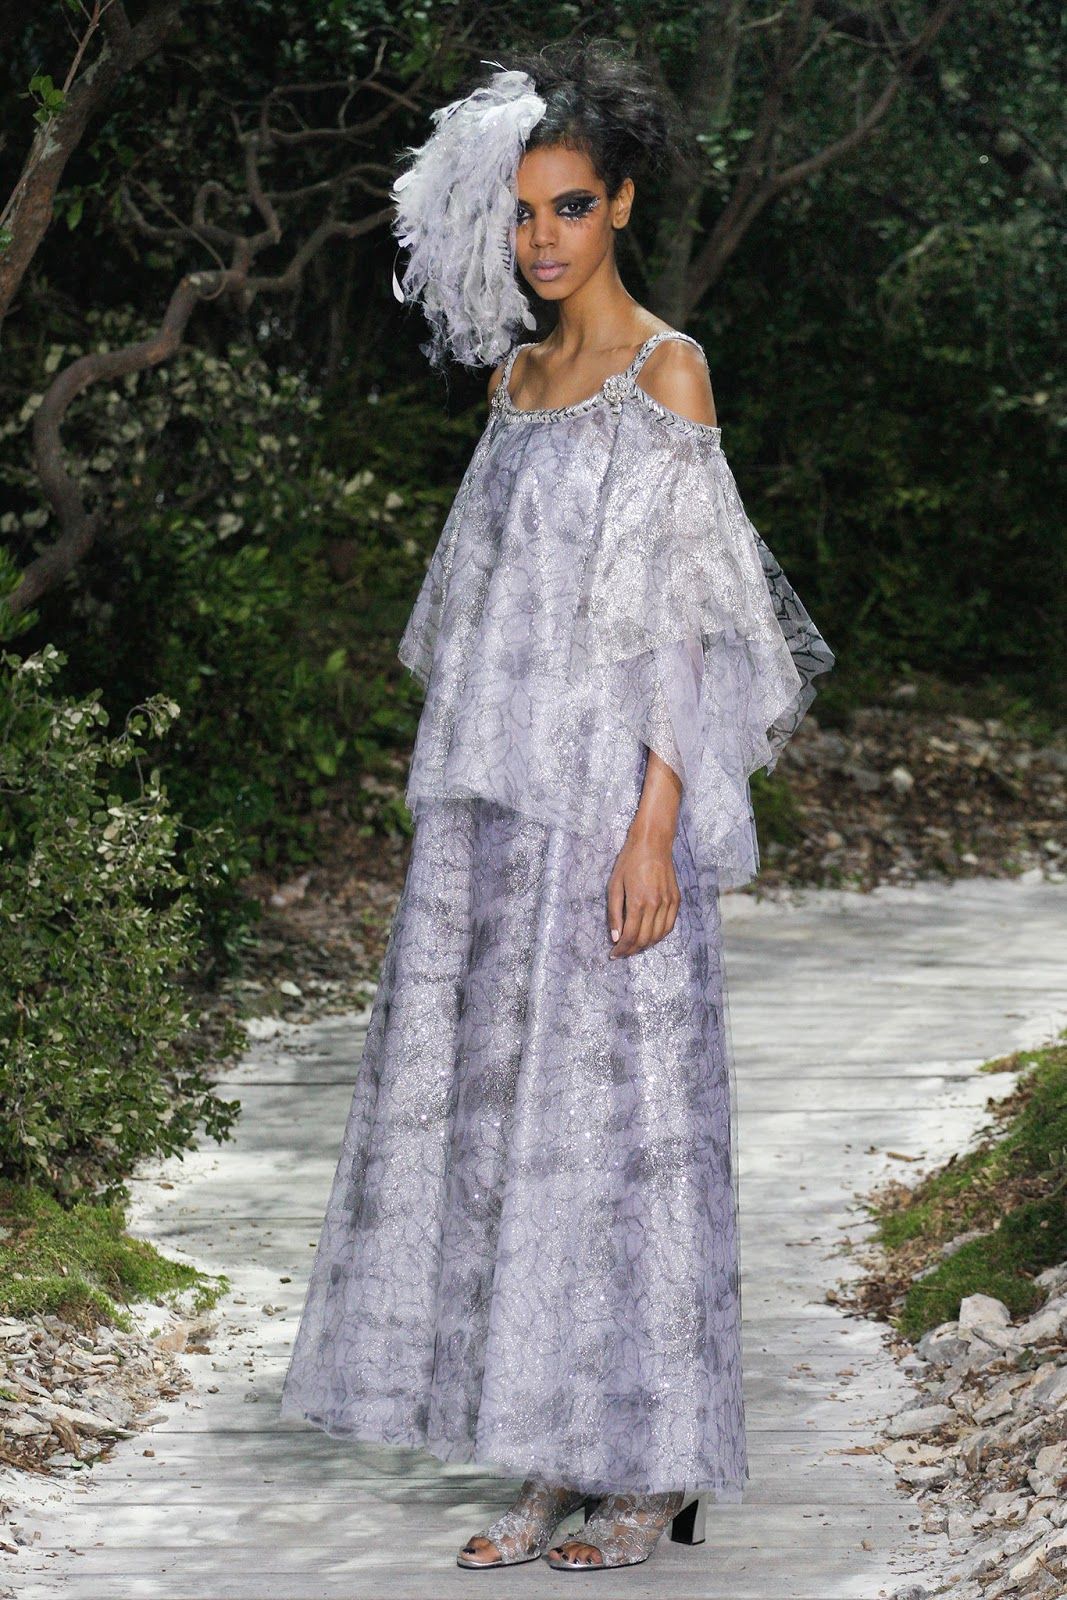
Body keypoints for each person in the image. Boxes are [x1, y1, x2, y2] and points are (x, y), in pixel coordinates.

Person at [279, 40, 835, 1573]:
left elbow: (694, 628)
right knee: (517, 1134)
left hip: (615, 814)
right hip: (509, 817)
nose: (543, 238)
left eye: (571, 206)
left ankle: (650, 1469)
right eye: (524, 212)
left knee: (628, 1134)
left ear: (623, 204)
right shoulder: (516, 384)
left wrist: (655, 828)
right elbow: (484, 622)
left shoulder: (669, 373)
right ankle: (547, 1454)